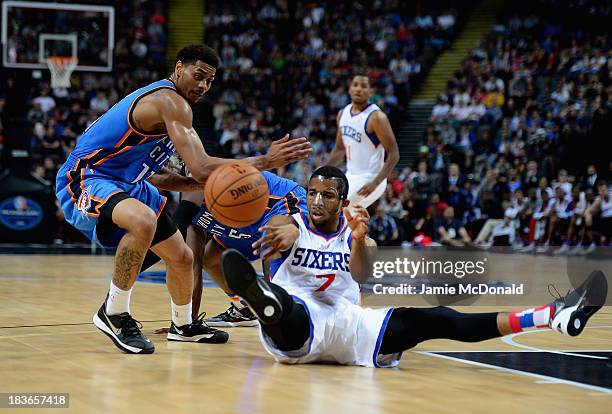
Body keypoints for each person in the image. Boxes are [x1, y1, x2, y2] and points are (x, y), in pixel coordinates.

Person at [55, 44, 311, 354]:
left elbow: (160, 175)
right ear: (179, 69)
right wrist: (264, 161)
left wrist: (192, 181)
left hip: (127, 182)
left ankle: (183, 324)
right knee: (143, 220)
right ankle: (114, 313)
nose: (203, 85)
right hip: (85, 177)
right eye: (198, 75)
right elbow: (203, 167)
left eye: (210, 80)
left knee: (183, 258)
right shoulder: (170, 102)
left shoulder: (173, 111)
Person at [219, 166, 607, 368]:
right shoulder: (288, 222)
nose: (317, 200)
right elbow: (280, 231)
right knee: (288, 307)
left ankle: (550, 316)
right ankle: (262, 300)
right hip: (300, 326)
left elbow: (362, 276)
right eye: (312, 193)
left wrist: (356, 239)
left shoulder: (360, 235)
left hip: (351, 326)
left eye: (327, 195)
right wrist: (283, 233)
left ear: (343, 200)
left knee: (436, 318)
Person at [326, 74, 400, 208]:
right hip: (350, 176)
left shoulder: (377, 117)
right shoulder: (342, 114)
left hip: (371, 178)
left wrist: (376, 183)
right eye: (355, 85)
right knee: (346, 220)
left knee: (334, 210)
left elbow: (394, 153)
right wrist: (322, 170)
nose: (358, 89)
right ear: (349, 89)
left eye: (364, 86)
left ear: (371, 91)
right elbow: (339, 149)